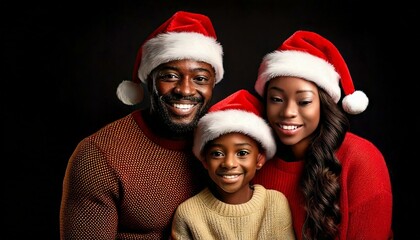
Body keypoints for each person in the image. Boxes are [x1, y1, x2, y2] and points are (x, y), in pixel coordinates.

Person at [60, 11, 225, 239]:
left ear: (212, 85)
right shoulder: (99, 156)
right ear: (149, 81)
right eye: (169, 76)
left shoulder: (226, 146)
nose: (185, 90)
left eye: (200, 78)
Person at [252, 30, 393, 240]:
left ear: (323, 105)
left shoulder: (362, 160)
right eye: (277, 99)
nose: (288, 112)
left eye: (304, 101)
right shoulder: (255, 162)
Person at [171, 89, 296, 240]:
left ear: (259, 159)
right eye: (217, 153)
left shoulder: (275, 204)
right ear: (204, 160)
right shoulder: (189, 213)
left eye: (242, 153)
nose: (229, 163)